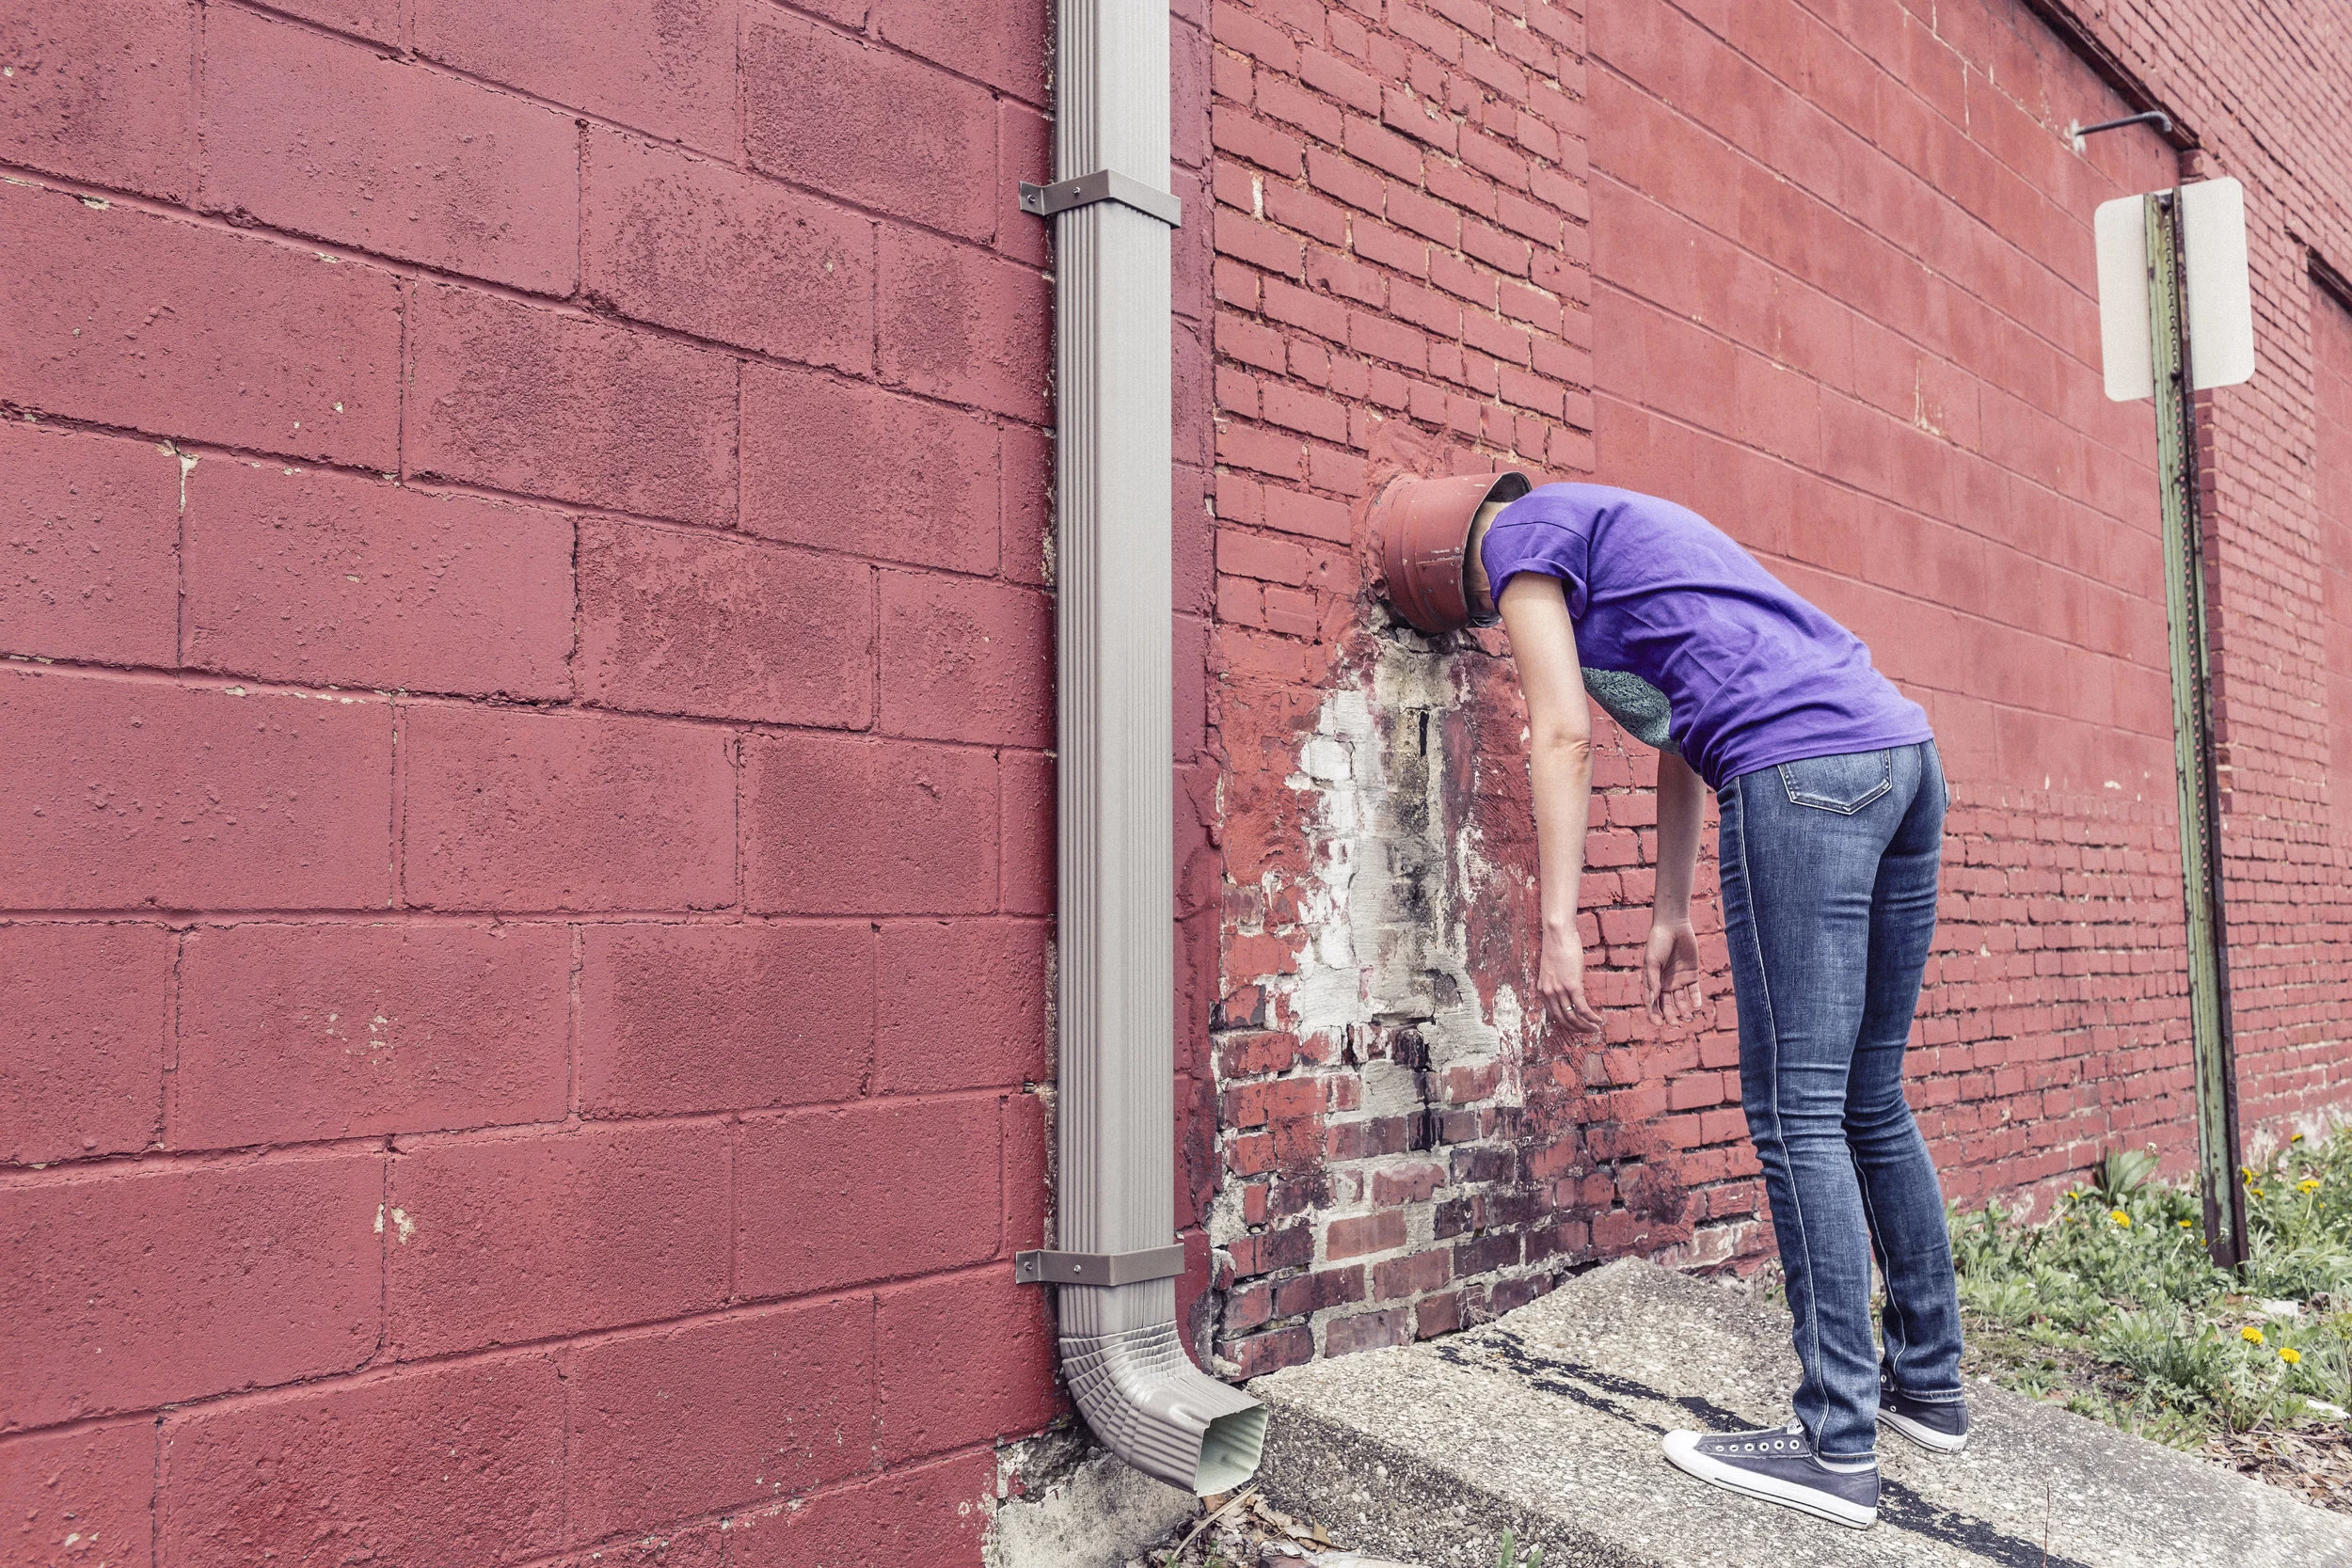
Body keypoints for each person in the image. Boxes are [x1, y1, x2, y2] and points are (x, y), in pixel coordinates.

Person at [1465, 481, 1969, 1531]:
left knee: (1798, 1109)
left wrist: (1557, 923)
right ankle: (1928, 1384)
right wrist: (1667, 907)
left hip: (1802, 771)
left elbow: (1561, 731)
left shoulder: (1518, 538)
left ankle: (1836, 1442)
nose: (1503, 614)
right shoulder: (1646, 544)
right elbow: (1678, 727)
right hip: (1902, 756)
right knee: (1870, 1096)